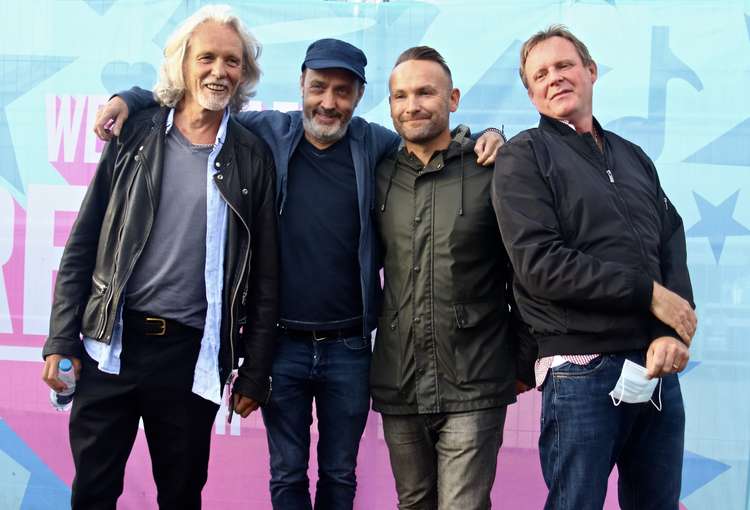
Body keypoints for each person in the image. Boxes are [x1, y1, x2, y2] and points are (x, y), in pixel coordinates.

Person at [94, 38, 503, 510]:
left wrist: (486, 135)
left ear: (360, 95)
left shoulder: (376, 145)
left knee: (339, 476)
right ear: (301, 87)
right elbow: (194, 103)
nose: (329, 102)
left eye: (343, 91)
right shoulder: (266, 132)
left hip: (350, 348)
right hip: (281, 346)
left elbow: (438, 144)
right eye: (319, 88)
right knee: (286, 476)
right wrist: (131, 97)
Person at [41, 5, 279, 509]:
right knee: (93, 492)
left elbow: (264, 278)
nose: (220, 71)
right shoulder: (136, 133)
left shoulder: (252, 157)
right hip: (111, 345)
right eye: (207, 57)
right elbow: (84, 243)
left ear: (245, 73)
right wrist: (60, 337)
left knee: (180, 495)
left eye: (232, 61)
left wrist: (255, 370)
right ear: (184, 64)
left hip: (191, 357)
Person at [492, 25, 697, 510]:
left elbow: (671, 236)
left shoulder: (633, 156)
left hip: (655, 366)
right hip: (582, 373)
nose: (555, 78)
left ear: (590, 72)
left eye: (564, 66)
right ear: (531, 93)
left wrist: (676, 329)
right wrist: (647, 292)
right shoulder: (523, 156)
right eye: (540, 74)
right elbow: (540, 265)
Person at [372, 46, 535, 510]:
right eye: (400, 95)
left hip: (476, 378)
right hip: (398, 380)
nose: (412, 105)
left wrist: (522, 359)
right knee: (414, 502)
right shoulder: (378, 172)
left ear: (454, 98)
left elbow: (522, 272)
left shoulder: (492, 170)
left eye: (425, 92)